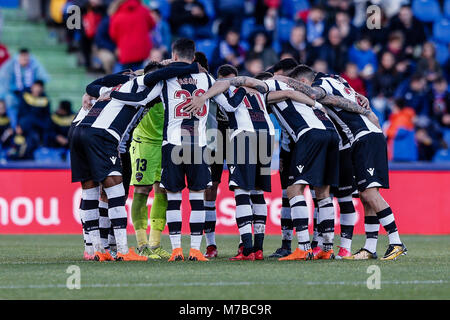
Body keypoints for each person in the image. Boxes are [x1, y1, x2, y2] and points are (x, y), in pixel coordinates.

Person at [106, 39, 240, 262]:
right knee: (197, 197)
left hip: (172, 144)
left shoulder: (166, 78)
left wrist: (112, 94)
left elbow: (141, 99)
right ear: (194, 57)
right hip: (198, 144)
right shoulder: (206, 78)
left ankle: (176, 249)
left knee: (174, 197)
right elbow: (229, 105)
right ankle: (196, 250)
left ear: (174, 56)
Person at [287, 65, 407, 260]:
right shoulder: (337, 79)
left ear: (302, 81)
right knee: (367, 194)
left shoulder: (320, 84)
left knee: (369, 193)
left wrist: (285, 82)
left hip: (363, 137)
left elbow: (319, 95)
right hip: (369, 135)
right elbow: (353, 96)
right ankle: (370, 247)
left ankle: (396, 242)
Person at [203, 64, 238, 259]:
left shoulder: (241, 93)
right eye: (225, 81)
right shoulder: (211, 90)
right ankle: (211, 245)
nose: (228, 86)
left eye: (232, 81)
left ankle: (245, 244)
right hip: (213, 141)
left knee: (243, 189)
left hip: (236, 142)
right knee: (210, 190)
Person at [0, 48, 49, 129]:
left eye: (27, 59)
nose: (25, 60)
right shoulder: (10, 66)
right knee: (10, 101)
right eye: (23, 58)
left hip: (29, 93)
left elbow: (42, 78)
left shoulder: (34, 65)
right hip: (14, 93)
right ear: (18, 57)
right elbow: (6, 83)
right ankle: (14, 127)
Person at [109, 0, 156, 72]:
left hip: (126, 52)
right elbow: (152, 24)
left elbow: (113, 34)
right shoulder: (143, 10)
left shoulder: (117, 13)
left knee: (125, 77)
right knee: (141, 76)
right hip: (143, 50)